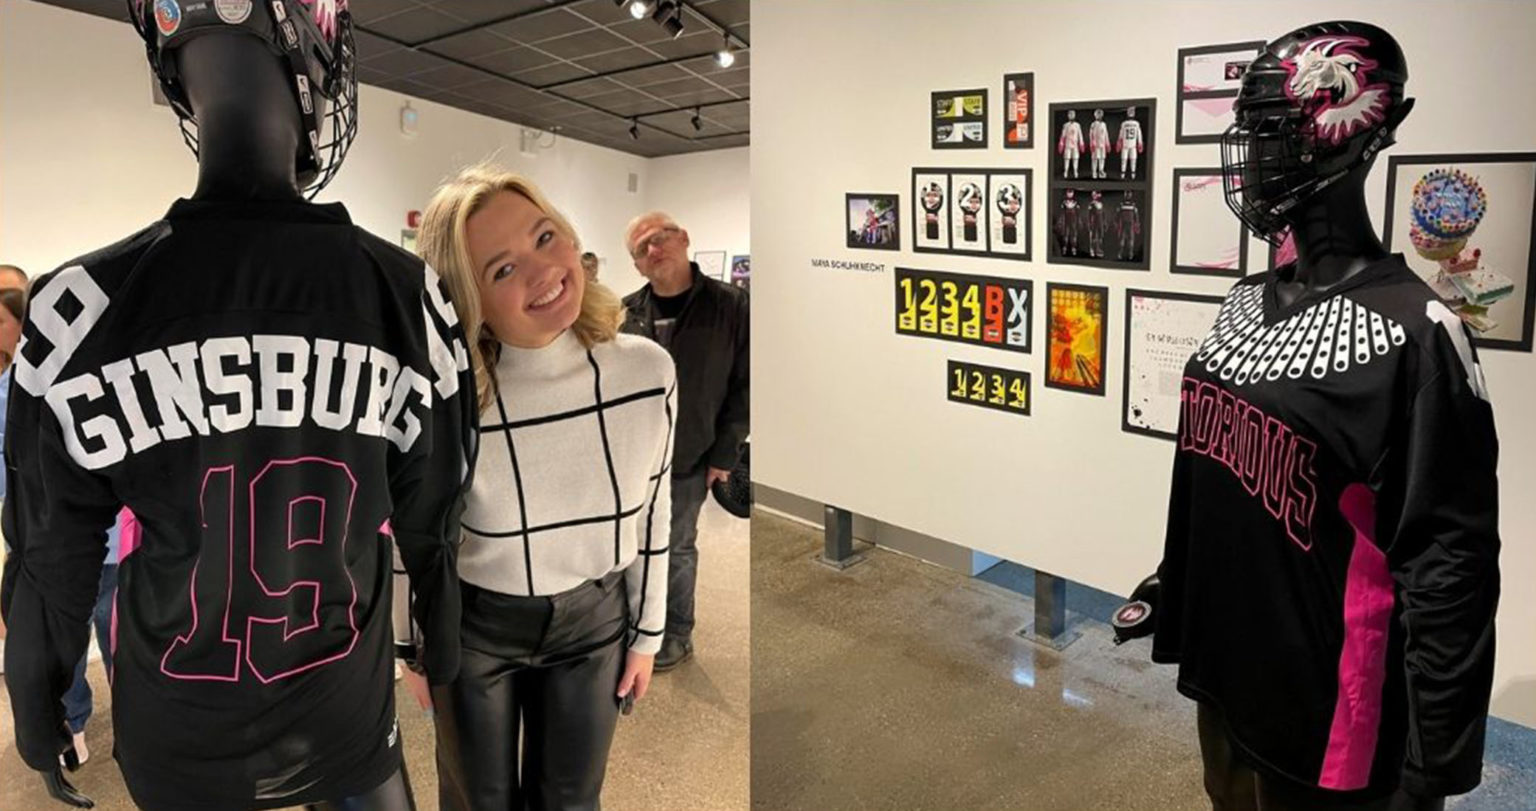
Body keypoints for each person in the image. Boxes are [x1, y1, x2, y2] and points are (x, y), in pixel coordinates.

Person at [0, 2, 477, 808]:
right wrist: (443, 634)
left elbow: (53, 554)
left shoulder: (78, 308)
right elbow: (434, 518)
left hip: (179, 719)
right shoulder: (404, 297)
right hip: (343, 706)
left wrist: (36, 702)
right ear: (317, 45)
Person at [1155, 21, 1498, 811]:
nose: (1255, 153)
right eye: (1251, 131)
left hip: (1331, 723)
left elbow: (1450, 566)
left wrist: (1432, 768)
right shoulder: (1245, 298)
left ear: (1354, 125)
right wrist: (1181, 584)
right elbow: (1213, 471)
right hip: (1230, 676)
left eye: (1273, 131)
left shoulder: (1419, 335)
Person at [413, 165, 675, 810]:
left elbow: (655, 512)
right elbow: (412, 535)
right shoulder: (450, 397)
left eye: (545, 236)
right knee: (478, 802)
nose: (543, 271)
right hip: (474, 630)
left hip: (593, 625)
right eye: (501, 269)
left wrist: (647, 635)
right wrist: (410, 648)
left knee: (570, 802)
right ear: (463, 297)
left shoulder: (645, 371)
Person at [621, 212, 749, 670]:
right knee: (628, 547)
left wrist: (725, 453)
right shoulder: (627, 313)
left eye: (661, 238)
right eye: (641, 248)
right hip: (632, 457)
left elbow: (746, 385)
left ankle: (676, 631)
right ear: (636, 265)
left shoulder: (733, 306)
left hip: (691, 455)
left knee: (675, 547)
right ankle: (635, 626)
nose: (654, 250)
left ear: (685, 238)